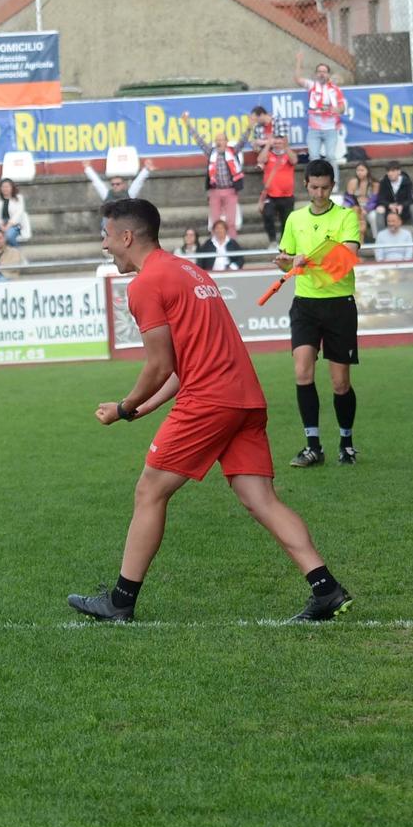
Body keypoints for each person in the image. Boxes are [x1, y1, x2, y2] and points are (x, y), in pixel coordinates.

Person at [67, 196, 352, 624]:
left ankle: (121, 602)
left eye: (107, 237)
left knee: (149, 492)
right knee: (260, 499)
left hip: (210, 401)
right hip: (245, 399)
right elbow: (184, 364)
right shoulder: (188, 270)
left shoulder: (145, 284)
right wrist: (141, 410)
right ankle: (326, 589)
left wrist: (125, 408)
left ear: (127, 236)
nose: (105, 246)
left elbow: (161, 364)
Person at [278, 160, 364, 466]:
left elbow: (347, 257)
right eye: (314, 187)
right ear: (305, 185)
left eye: (325, 187)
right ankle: (312, 445)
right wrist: (288, 262)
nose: (319, 192)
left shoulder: (346, 217)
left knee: (340, 382)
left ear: (333, 186)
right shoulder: (294, 219)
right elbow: (284, 260)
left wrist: (306, 262)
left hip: (339, 303)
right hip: (305, 303)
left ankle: (346, 442)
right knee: (302, 371)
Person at [299, 57, 348, 167]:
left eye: (324, 72)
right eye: (319, 72)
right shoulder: (312, 86)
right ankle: (316, 183)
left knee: (330, 157)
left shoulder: (335, 89)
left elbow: (342, 108)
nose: (322, 74)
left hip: (330, 129)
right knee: (314, 157)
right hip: (314, 130)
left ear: (328, 74)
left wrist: (333, 109)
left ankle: (334, 184)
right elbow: (298, 79)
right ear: (316, 74)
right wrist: (299, 62)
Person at [203, 132, 246, 235]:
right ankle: (215, 244)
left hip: (230, 190)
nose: (219, 142)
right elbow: (200, 142)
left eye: (221, 140)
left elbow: (242, 141)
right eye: (217, 140)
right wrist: (187, 123)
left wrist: (250, 126)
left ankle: (231, 244)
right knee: (215, 222)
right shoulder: (211, 153)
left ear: (226, 142)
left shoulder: (233, 152)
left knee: (231, 221)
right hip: (215, 191)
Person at [259, 132, 297, 247]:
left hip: (287, 195)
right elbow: (260, 159)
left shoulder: (288, 154)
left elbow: (294, 160)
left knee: (286, 221)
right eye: (276, 143)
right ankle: (272, 241)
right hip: (271, 195)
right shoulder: (269, 155)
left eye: (280, 143)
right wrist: (267, 145)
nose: (278, 145)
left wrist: (287, 147)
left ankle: (284, 243)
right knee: (267, 215)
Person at [375, 163, 413, 234]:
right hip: (389, 210)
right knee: (380, 209)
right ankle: (381, 237)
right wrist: (389, 205)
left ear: (399, 172)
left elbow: (412, 199)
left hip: (404, 210)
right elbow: (380, 199)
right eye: (388, 171)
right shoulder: (384, 182)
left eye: (393, 171)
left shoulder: (406, 182)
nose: (390, 173)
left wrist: (402, 205)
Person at [83, 159, 151, 204]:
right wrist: (88, 168)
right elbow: (97, 183)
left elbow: (138, 182)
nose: (115, 186)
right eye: (113, 184)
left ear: (123, 185)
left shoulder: (130, 194)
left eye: (118, 184)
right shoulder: (107, 195)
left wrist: (146, 169)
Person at [0, 179, 31, 249]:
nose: (5, 189)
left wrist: (8, 225)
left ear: (12, 187)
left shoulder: (19, 198)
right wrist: (1, 225)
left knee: (8, 236)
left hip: (14, 224)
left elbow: (19, 214)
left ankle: (17, 254)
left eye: (7, 187)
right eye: (3, 187)